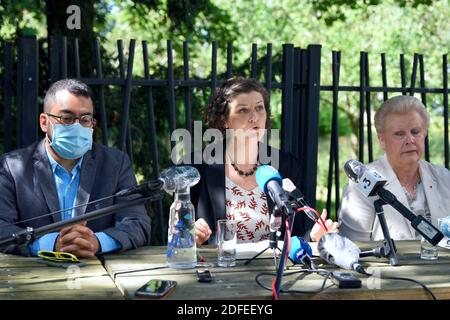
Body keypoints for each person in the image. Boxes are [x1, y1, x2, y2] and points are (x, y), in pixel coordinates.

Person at [0, 79, 151, 257]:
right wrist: (51, 244)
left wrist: (98, 242)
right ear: (44, 122)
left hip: (99, 275)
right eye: (67, 118)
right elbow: (2, 227)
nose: (77, 126)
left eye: (85, 119)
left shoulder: (115, 164)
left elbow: (137, 222)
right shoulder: (13, 167)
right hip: (34, 275)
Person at [187, 77, 337, 245]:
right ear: (224, 120)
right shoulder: (197, 166)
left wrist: (313, 237)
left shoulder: (285, 164)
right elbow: (180, 233)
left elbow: (296, 233)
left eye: (259, 108)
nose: (254, 117)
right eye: (243, 110)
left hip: (273, 268)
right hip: (220, 268)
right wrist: (192, 235)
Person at [339, 95, 450, 241]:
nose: (410, 140)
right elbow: (354, 248)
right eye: (399, 134)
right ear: (382, 140)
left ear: (425, 133)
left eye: (415, 132)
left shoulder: (444, 177)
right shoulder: (361, 184)